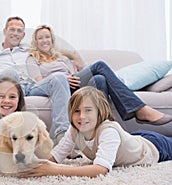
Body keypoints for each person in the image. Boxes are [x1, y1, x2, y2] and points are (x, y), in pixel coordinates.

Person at [26, 24, 172, 136]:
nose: (44, 40)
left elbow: (76, 72)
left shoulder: (61, 58)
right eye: (40, 38)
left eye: (47, 37)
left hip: (72, 86)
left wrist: (72, 59)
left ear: (52, 40)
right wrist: (63, 78)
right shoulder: (32, 58)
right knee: (100, 65)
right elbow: (38, 81)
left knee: (100, 79)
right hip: (54, 85)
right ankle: (139, 109)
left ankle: (102, 126)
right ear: (36, 42)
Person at [0, 16, 71, 142]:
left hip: (31, 86)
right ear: (5, 31)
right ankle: (15, 133)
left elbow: (54, 50)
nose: (15, 33)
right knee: (12, 73)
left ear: (23, 35)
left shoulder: (28, 50)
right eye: (12, 29)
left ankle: (63, 138)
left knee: (59, 78)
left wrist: (74, 59)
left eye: (19, 31)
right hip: (8, 84)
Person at [19, 86, 172, 178]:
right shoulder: (74, 130)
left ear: (100, 112)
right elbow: (56, 156)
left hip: (154, 147)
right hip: (135, 138)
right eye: (76, 111)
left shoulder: (108, 131)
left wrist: (53, 170)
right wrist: (35, 166)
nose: (81, 116)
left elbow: (101, 170)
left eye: (88, 110)